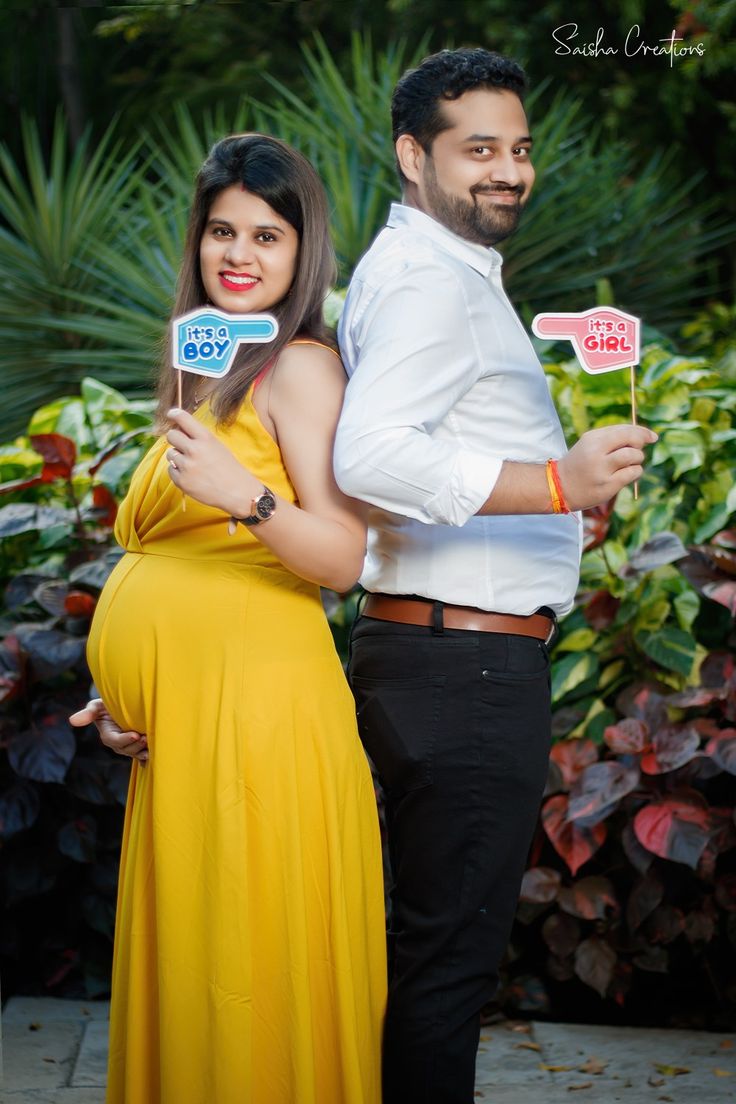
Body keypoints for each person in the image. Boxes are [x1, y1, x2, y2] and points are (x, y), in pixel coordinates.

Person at [333, 48, 657, 1104]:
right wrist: (556, 480)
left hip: (438, 653)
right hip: (462, 670)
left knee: (431, 952)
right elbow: (371, 458)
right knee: (448, 966)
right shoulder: (431, 282)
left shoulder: (431, 270)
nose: (508, 171)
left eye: (518, 149)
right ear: (412, 155)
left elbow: (435, 450)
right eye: (478, 150)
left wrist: (558, 498)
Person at [70, 133, 386, 1104]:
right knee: (201, 977)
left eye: (265, 235)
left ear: (302, 255)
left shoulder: (299, 368)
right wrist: (120, 695)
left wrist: (245, 495)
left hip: (261, 726)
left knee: (248, 976)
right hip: (184, 736)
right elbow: (170, 558)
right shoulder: (208, 369)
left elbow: (342, 559)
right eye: (220, 231)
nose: (237, 254)